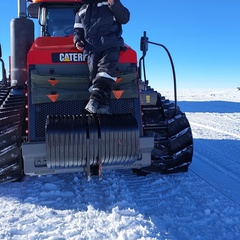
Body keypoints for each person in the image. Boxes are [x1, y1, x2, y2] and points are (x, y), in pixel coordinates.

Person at [73, 0, 130, 114]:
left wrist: (114, 3)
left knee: (105, 71)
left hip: (110, 45)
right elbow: (78, 29)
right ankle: (104, 106)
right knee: (94, 76)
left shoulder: (110, 3)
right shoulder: (81, 10)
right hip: (91, 49)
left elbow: (124, 18)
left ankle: (95, 99)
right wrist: (77, 40)